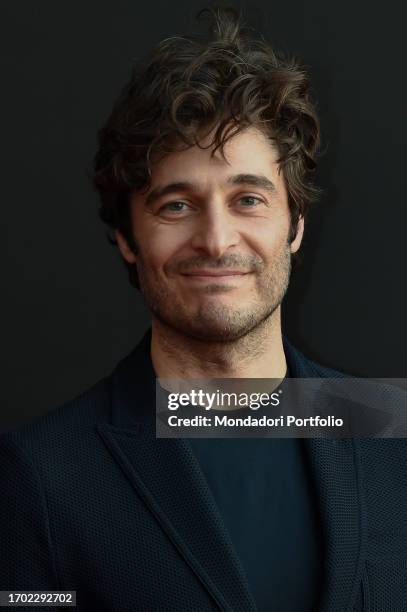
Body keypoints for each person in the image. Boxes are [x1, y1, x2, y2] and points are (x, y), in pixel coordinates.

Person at [1, 8, 406, 612]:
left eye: (248, 199)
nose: (216, 240)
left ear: (295, 223)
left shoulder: (392, 432)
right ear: (127, 239)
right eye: (175, 206)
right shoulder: (40, 475)